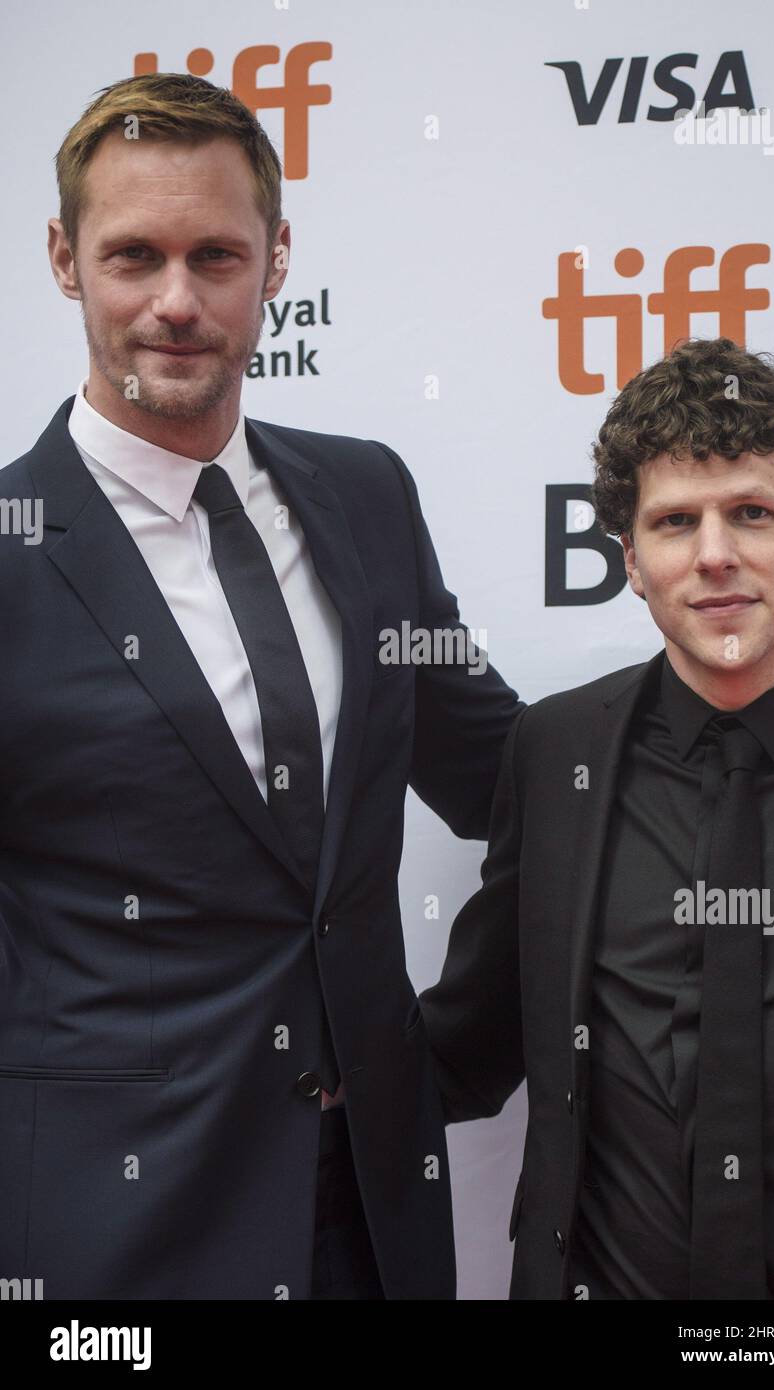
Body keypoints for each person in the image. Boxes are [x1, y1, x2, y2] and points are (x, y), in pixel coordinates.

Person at [0, 71, 524, 1300]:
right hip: (114, 1232)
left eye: (216, 256)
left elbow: (517, 773)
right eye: (133, 256)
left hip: (374, 1212)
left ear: (276, 260)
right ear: (65, 261)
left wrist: (747, 699)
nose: (175, 303)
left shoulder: (365, 496)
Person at [420, 336, 774, 1300]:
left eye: (752, 512)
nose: (715, 557)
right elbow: (471, 1037)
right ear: (628, 557)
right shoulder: (556, 753)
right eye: (675, 523)